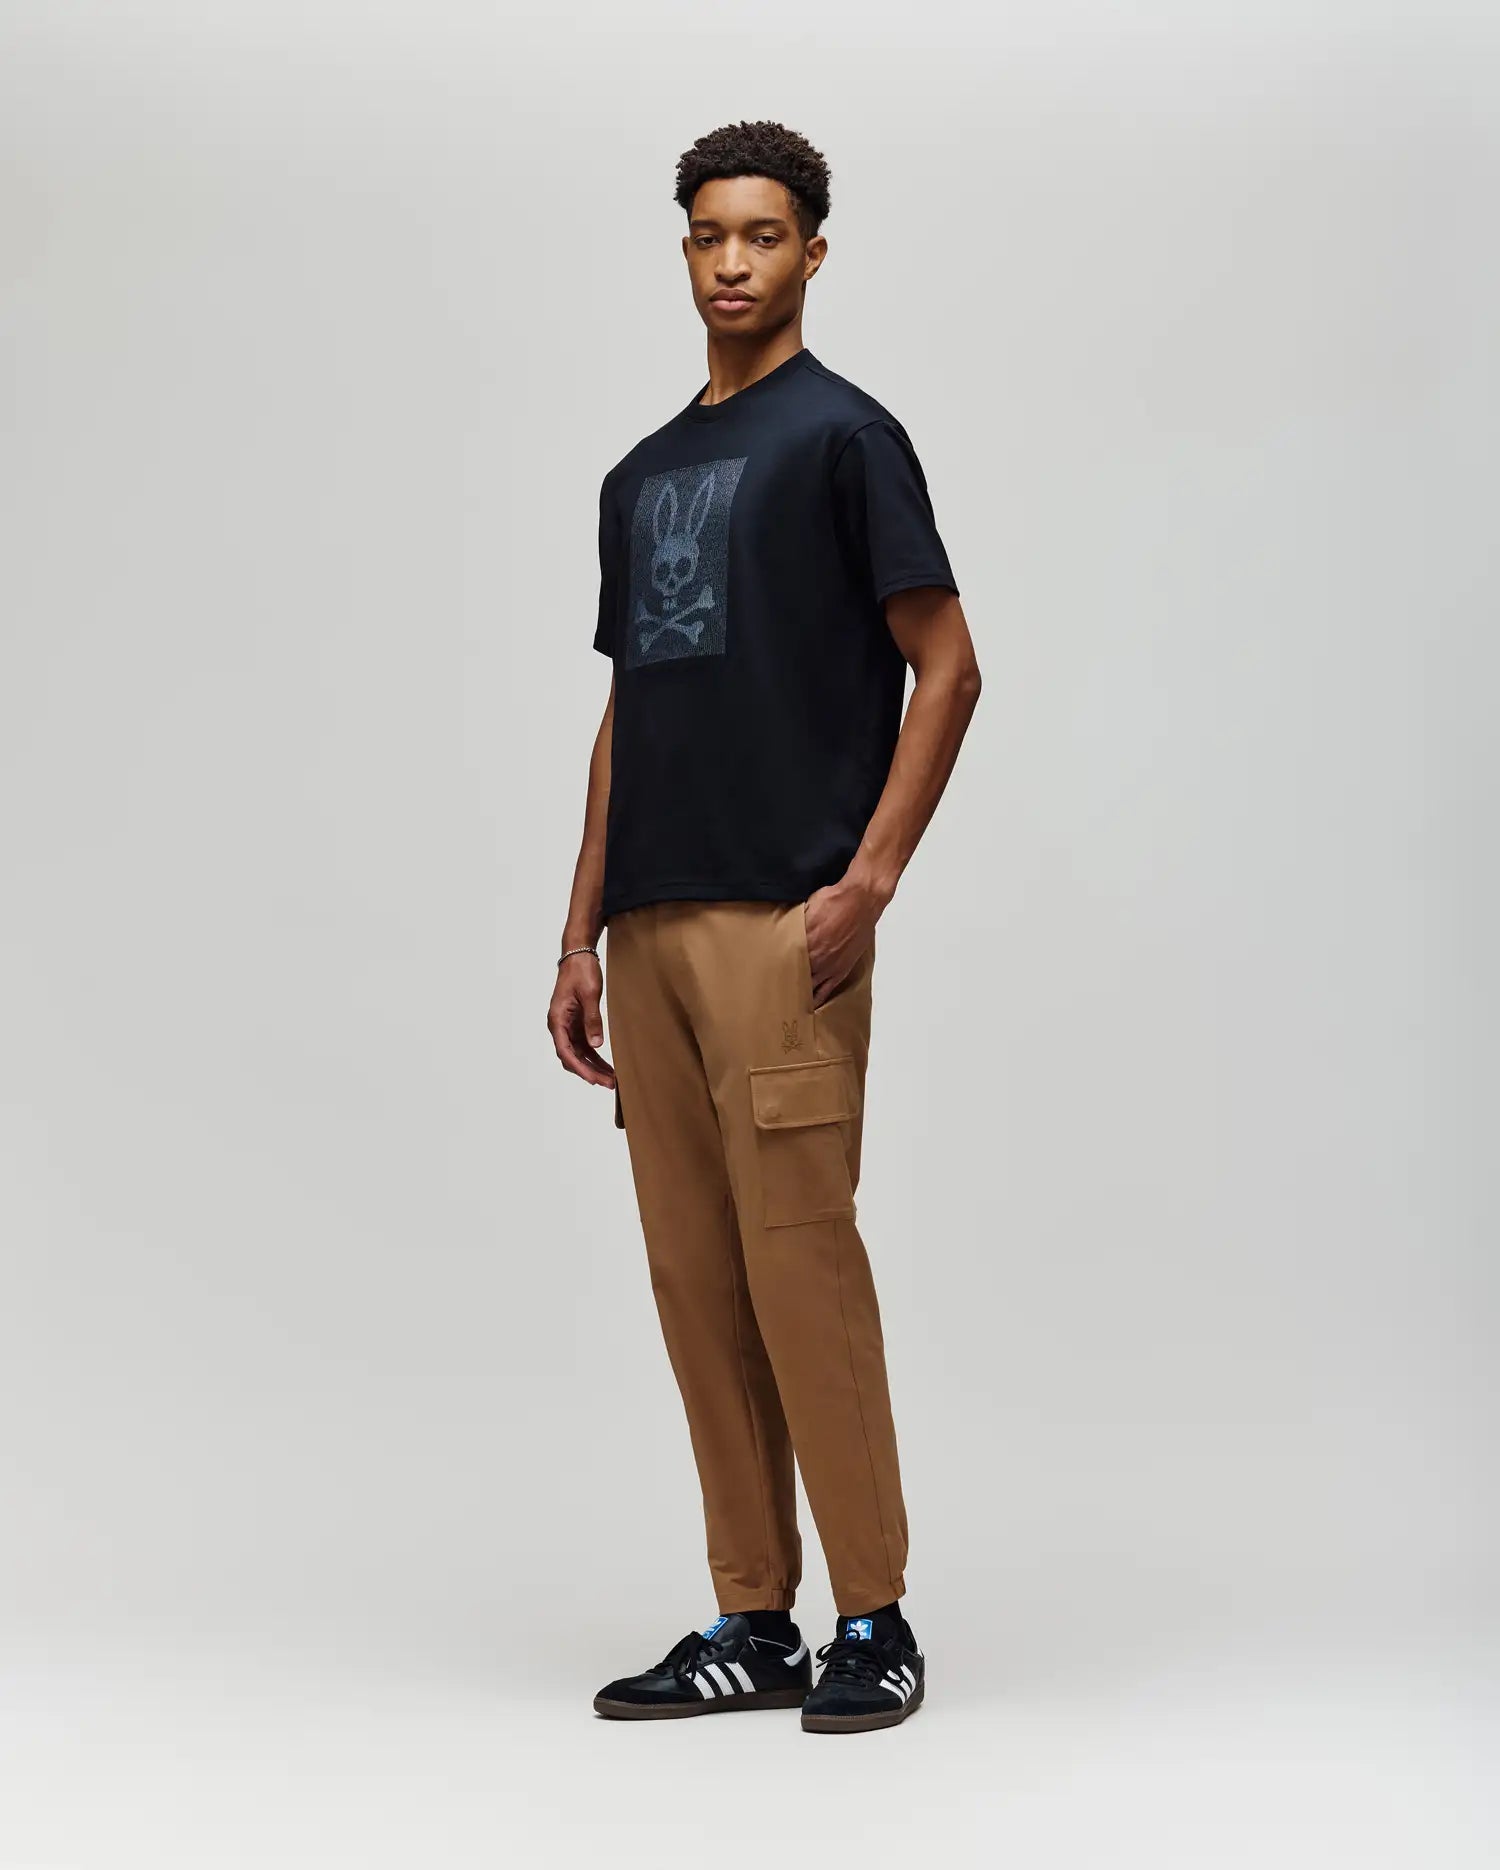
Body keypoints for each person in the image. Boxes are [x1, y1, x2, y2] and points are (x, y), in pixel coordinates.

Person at [548, 119, 981, 1735]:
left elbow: (950, 663)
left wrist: (869, 881)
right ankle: (754, 1614)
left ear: (812, 251)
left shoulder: (846, 440)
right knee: (693, 1274)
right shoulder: (639, 474)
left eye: (764, 234)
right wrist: (579, 927)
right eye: (709, 236)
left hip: (783, 926)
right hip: (652, 930)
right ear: (685, 254)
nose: (734, 260)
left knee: (802, 1263)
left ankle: (875, 1613)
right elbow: (626, 707)